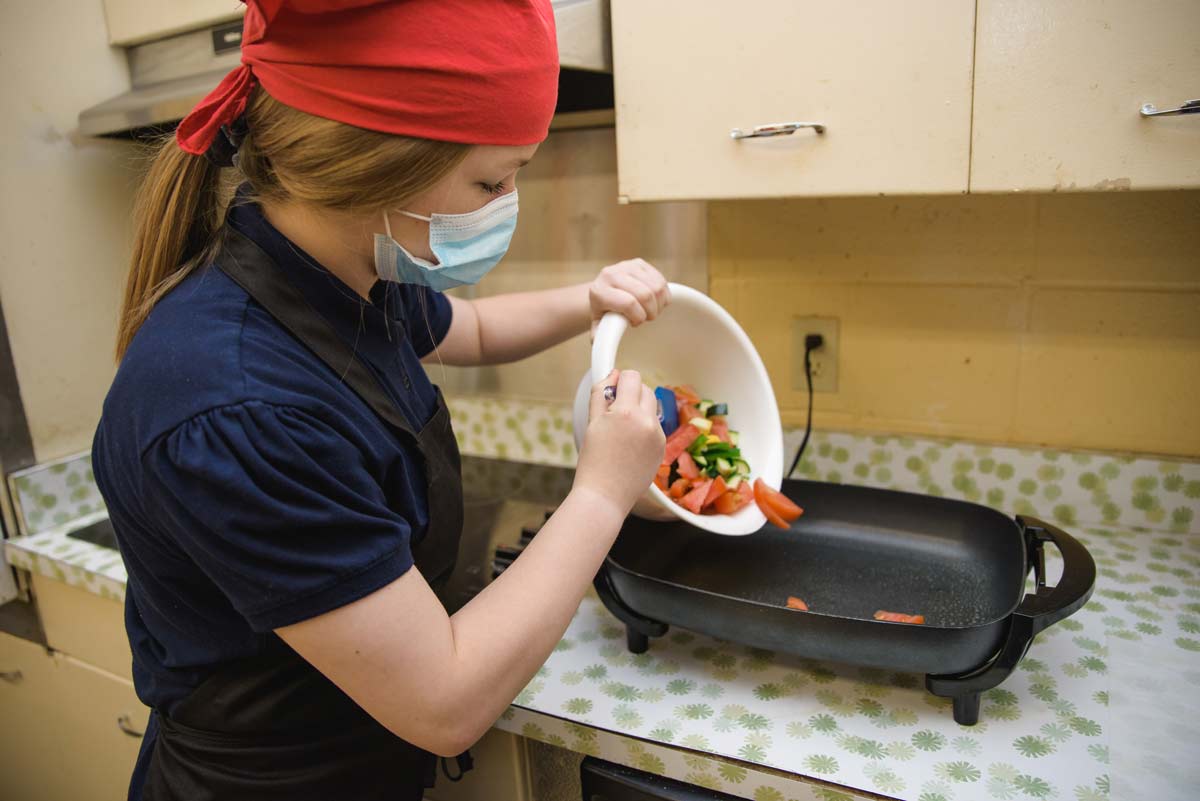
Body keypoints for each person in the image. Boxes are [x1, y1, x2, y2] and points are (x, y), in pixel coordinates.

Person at [91, 2, 669, 799]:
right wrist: (604, 489)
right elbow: (446, 701)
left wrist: (590, 301)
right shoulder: (239, 409)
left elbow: (468, 328)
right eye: (493, 179)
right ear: (378, 166)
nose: (508, 204)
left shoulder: (340, 269)